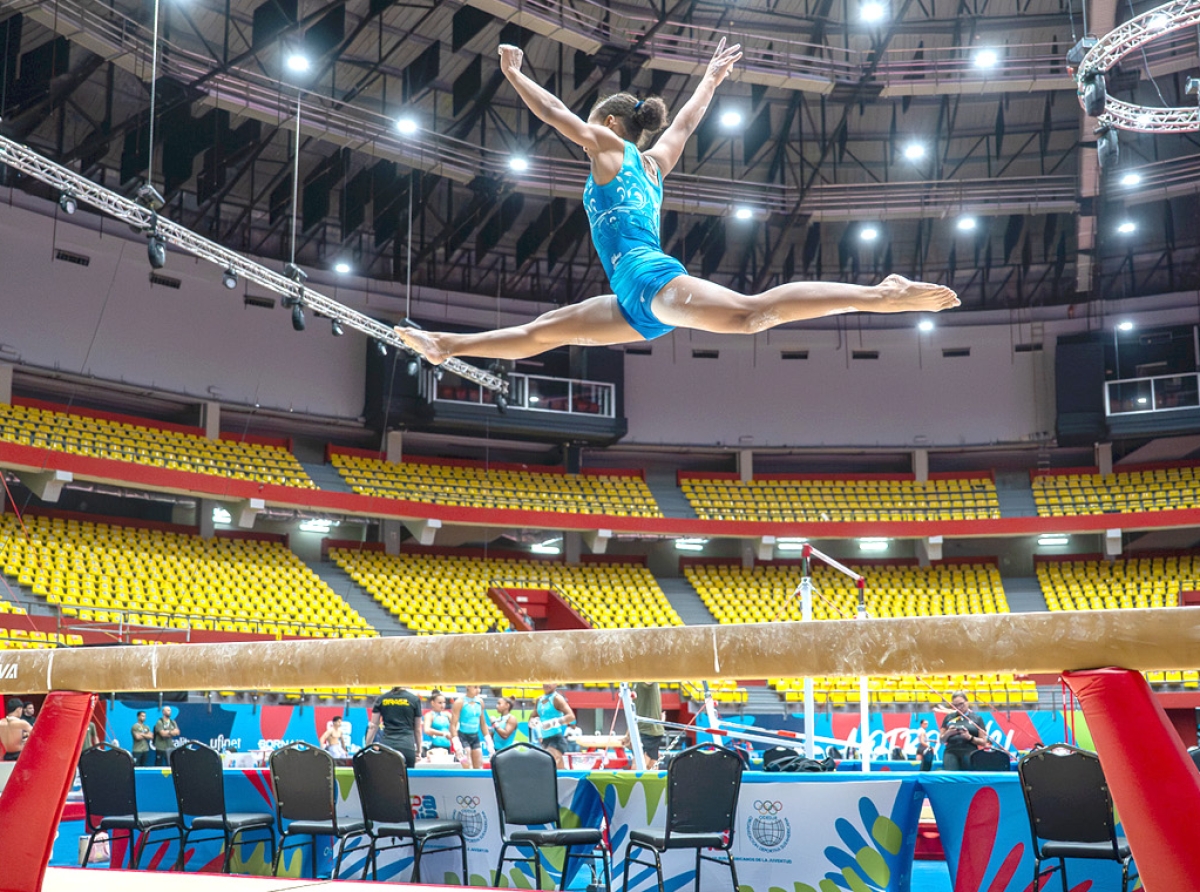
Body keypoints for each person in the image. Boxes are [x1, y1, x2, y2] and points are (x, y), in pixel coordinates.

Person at [397, 40, 959, 367]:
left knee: (750, 316)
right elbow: (686, 122)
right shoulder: (655, 162)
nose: (589, 139)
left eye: (596, 128)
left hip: (648, 276)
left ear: (611, 124)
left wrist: (515, 75)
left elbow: (556, 116)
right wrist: (710, 80)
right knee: (547, 330)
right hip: (636, 295)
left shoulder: (612, 147)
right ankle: (446, 345)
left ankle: (880, 294)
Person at [367, 685, 423, 767]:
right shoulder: (414, 699)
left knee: (387, 778)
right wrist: (418, 751)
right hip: (407, 747)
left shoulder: (382, 699)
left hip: (387, 747)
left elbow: (373, 726)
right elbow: (417, 729)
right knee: (407, 779)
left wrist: (368, 746)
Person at [939, 692, 988, 771]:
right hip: (951, 752)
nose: (959, 707)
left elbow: (983, 742)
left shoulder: (977, 718)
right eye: (955, 705)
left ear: (967, 702)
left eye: (961, 704)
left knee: (969, 777)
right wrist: (948, 733)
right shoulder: (948, 718)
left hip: (970, 752)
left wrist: (970, 737)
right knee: (951, 776)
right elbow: (941, 740)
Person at [532, 683, 576, 768]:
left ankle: (564, 777)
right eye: (545, 682)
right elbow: (533, 716)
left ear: (556, 684)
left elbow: (571, 717)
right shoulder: (539, 700)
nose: (547, 684)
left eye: (550, 682)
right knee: (552, 769)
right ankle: (564, 777)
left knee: (551, 764)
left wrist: (553, 723)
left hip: (556, 739)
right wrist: (533, 721)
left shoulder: (557, 699)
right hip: (545, 740)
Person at [451, 685, 491, 769]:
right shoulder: (459, 702)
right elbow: (453, 725)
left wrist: (490, 744)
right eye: (475, 687)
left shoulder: (480, 702)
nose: (478, 690)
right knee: (467, 765)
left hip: (475, 736)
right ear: (468, 687)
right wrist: (457, 746)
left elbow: (483, 724)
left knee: (479, 766)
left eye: (479, 688)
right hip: (463, 737)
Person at [631, 682, 665, 770]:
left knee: (638, 766)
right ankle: (656, 784)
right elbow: (636, 709)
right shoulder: (635, 681)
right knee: (652, 765)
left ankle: (634, 783)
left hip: (647, 730)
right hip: (647, 729)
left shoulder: (647, 679)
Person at [423, 691, 454, 758]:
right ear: (432, 703)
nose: (442, 705)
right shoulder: (429, 715)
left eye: (444, 702)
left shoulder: (447, 714)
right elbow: (426, 730)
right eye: (440, 703)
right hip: (435, 747)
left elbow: (456, 724)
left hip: (447, 746)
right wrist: (444, 734)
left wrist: (453, 732)